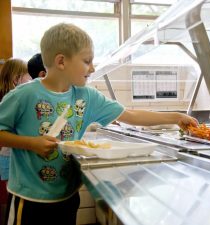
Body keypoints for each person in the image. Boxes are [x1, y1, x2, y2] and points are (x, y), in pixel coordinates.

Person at [0, 23, 197, 225]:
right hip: (31, 199)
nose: (92, 68)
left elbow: (131, 115)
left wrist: (175, 117)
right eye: (87, 61)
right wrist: (31, 143)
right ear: (61, 61)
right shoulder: (24, 95)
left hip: (68, 195)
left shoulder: (86, 96)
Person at [0, 58, 32, 225]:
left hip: (7, 157)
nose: (32, 80)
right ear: (16, 78)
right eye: (29, 76)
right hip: (8, 158)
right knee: (10, 196)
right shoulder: (14, 99)